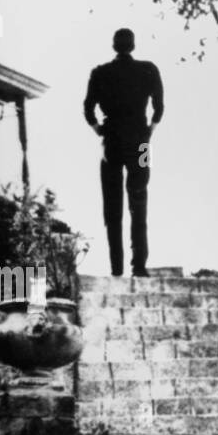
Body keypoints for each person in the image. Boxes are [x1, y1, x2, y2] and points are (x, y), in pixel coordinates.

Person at [83, 29, 164, 276]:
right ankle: (139, 265)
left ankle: (116, 267)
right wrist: (149, 130)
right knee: (139, 199)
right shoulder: (149, 69)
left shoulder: (100, 72)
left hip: (111, 142)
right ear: (133, 45)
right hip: (141, 143)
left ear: (113, 45)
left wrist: (99, 129)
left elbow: (88, 109)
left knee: (112, 204)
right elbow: (159, 107)